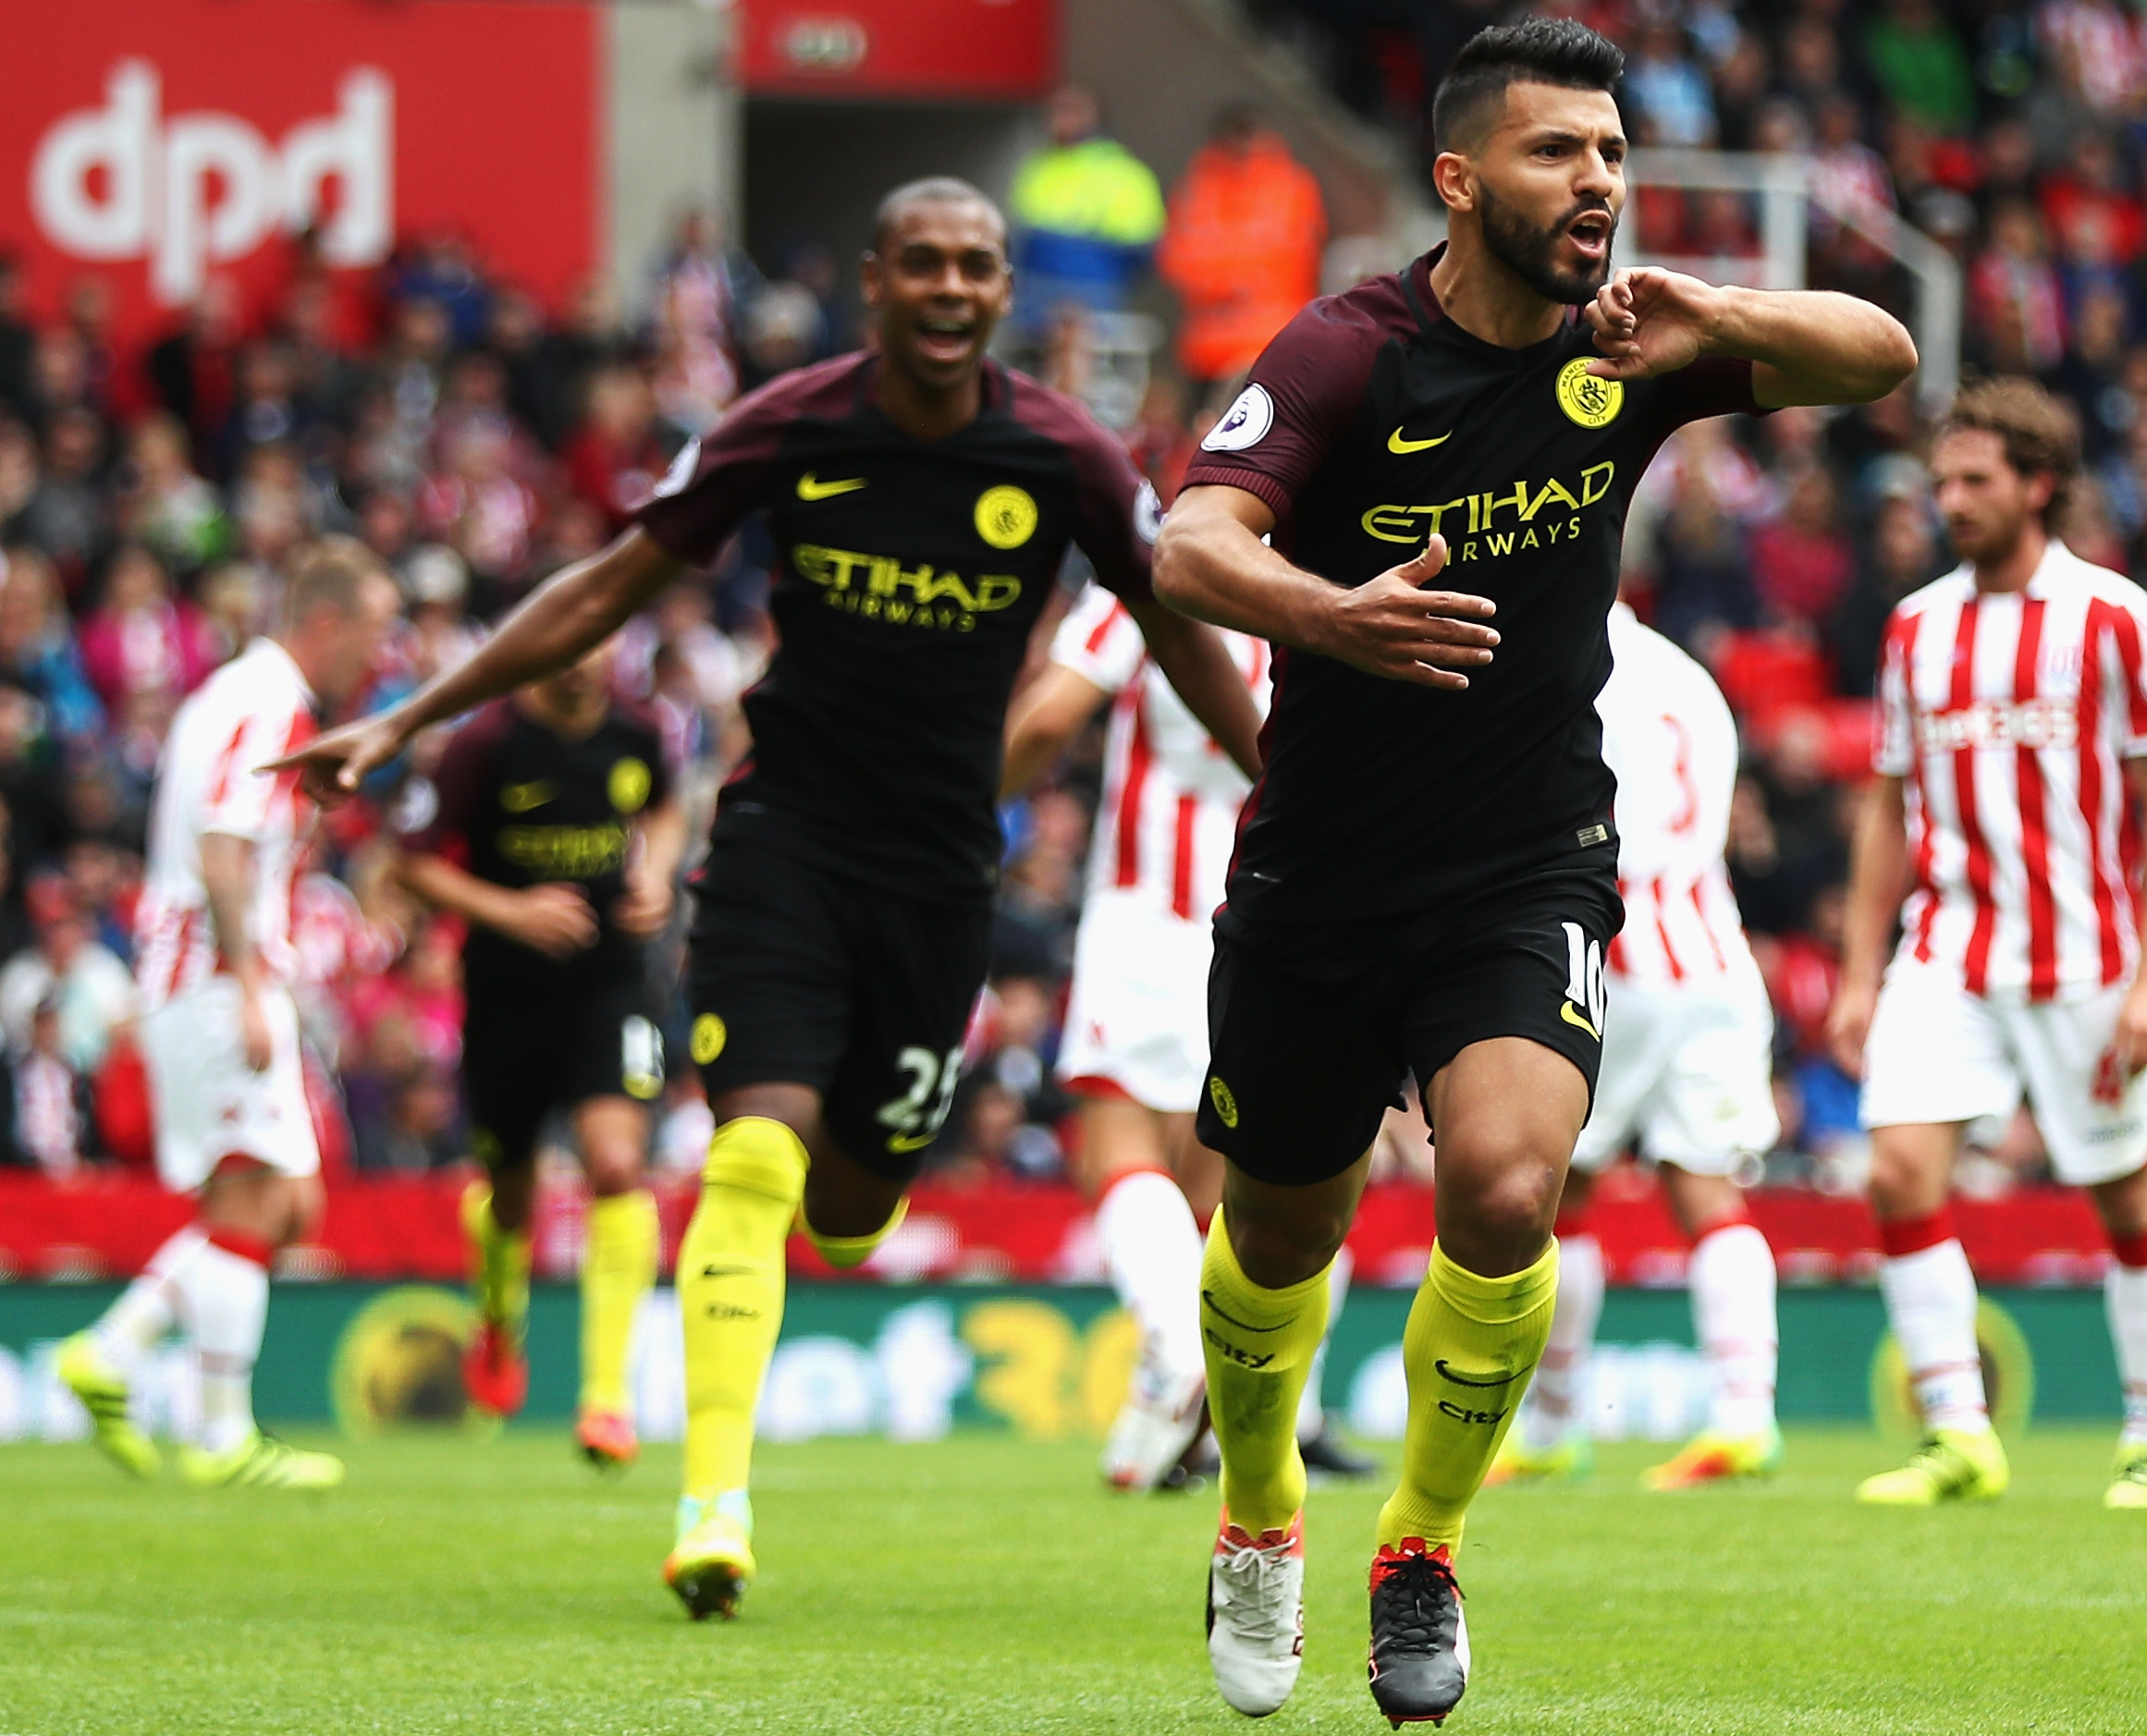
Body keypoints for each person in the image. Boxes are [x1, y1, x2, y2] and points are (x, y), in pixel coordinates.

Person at [274, 178, 1263, 1620]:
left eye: (973, 266)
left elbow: (1177, 626)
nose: (945, 286)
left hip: (936, 883)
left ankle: (805, 1270)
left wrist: (1282, 779)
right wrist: (406, 717)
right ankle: (713, 1503)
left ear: (1001, 293)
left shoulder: (1061, 450)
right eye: (918, 260)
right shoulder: (789, 426)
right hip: (782, 846)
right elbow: (610, 583)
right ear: (872, 280)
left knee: (854, 1209)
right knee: (754, 1150)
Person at [1151, 17, 1912, 1725]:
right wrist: (1331, 613)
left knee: (1503, 1187)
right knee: (1282, 1231)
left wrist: (1724, 322)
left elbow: (1881, 354)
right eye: (1560, 152)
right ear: (1459, 178)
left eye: (1614, 153)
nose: (1599, 183)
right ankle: (1260, 1507)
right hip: (1321, 878)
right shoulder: (1350, 352)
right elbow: (1191, 539)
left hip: (1528, 866)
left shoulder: (1632, 346)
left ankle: (1418, 1547)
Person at [1824, 377, 2147, 1514]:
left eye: (1974, 481)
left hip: (2086, 957)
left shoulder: (2112, 615)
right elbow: (1887, 803)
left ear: (2038, 486)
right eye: (1941, 481)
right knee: (1896, 1173)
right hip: (1946, 950)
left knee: (2126, 1196)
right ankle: (1957, 1433)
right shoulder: (1915, 625)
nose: (1950, 501)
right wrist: (1855, 973)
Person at [998, 580, 1371, 1491]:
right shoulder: (1327, 582)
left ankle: (1172, 1345)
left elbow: (1049, 721)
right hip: (1284, 918)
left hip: (1152, 917)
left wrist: (955, 810)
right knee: (1230, 1189)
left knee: (1118, 1150)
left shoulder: (1153, 573)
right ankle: (1232, 1421)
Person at [54, 541, 401, 1491]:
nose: (378, 654)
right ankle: (216, 1433)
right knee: (257, 1195)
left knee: (288, 1199)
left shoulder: (231, 692)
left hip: (204, 969)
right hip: (214, 971)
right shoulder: (270, 701)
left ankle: (113, 1353)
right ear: (324, 621)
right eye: (372, 630)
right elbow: (222, 845)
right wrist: (250, 982)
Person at [1491, 600, 1786, 1492]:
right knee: (1708, 1190)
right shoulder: (1687, 674)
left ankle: (1550, 1423)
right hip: (1713, 954)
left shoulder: (1552, 649)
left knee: (1558, 1188)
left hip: (1612, 956)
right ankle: (1746, 1415)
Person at [390, 643, 684, 1466]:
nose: (585, 661)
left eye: (601, 643)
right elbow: (406, 863)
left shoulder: (638, 733)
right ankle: (497, 1318)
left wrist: (655, 872)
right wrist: (510, 911)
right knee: (510, 1198)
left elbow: (663, 809)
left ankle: (607, 1399)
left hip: (612, 988)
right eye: (572, 643)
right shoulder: (481, 747)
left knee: (617, 1164)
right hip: (508, 996)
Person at [1153, 106, 1330, 387]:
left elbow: (1296, 259)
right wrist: (1234, 281)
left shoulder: (1292, 186)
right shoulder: (1195, 187)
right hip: (1210, 348)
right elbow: (1175, 260)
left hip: (1270, 342)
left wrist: (1221, 277)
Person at [1008, 85, 1168, 324]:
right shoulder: (1038, 167)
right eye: (1055, 110)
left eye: (1071, 110)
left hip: (1094, 287)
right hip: (1035, 287)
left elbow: (1144, 248)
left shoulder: (1123, 172)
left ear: (1094, 118)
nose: (1058, 119)